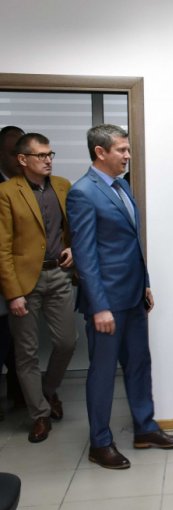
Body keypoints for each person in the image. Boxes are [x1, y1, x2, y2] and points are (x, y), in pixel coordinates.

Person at [66, 124, 173, 469]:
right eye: (121, 150)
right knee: (103, 373)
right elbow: (85, 256)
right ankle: (100, 443)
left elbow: (132, 243)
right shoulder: (82, 193)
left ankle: (145, 429)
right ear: (100, 152)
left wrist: (145, 283)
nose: (128, 156)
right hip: (107, 303)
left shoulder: (121, 187)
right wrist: (100, 307)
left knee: (139, 364)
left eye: (128, 149)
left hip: (133, 296)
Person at [0, 133, 77, 442]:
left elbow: (73, 228)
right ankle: (40, 414)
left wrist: (72, 248)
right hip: (23, 282)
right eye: (41, 155)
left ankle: (48, 390)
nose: (48, 160)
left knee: (67, 342)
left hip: (58, 274)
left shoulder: (62, 186)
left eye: (50, 154)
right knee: (26, 353)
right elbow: (2, 248)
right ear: (23, 159)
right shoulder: (6, 192)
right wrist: (13, 293)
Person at [0, 126, 27, 418]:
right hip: (5, 280)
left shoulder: (36, 185)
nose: (19, 158)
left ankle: (23, 397)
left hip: (26, 282)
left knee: (19, 347)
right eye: (12, 153)